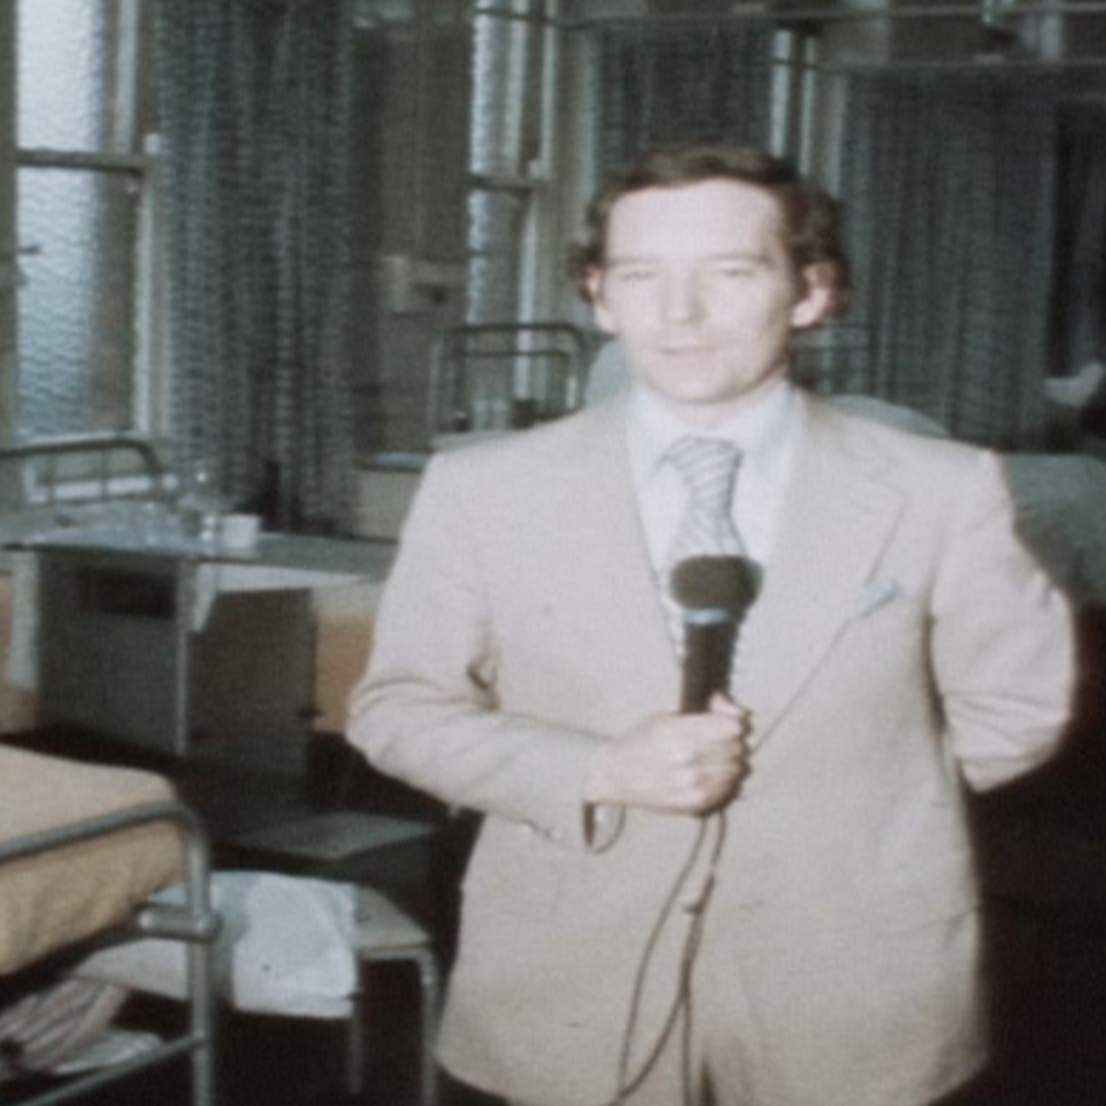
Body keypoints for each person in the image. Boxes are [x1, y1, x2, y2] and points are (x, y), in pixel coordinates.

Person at [347, 144, 1077, 1106]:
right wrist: (596, 770)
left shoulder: (940, 488)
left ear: (811, 292)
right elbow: (397, 710)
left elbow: (1018, 704)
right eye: (640, 276)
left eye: (730, 273)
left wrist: (875, 799)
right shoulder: (484, 488)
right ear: (599, 298)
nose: (679, 314)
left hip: (851, 973)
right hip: (570, 969)